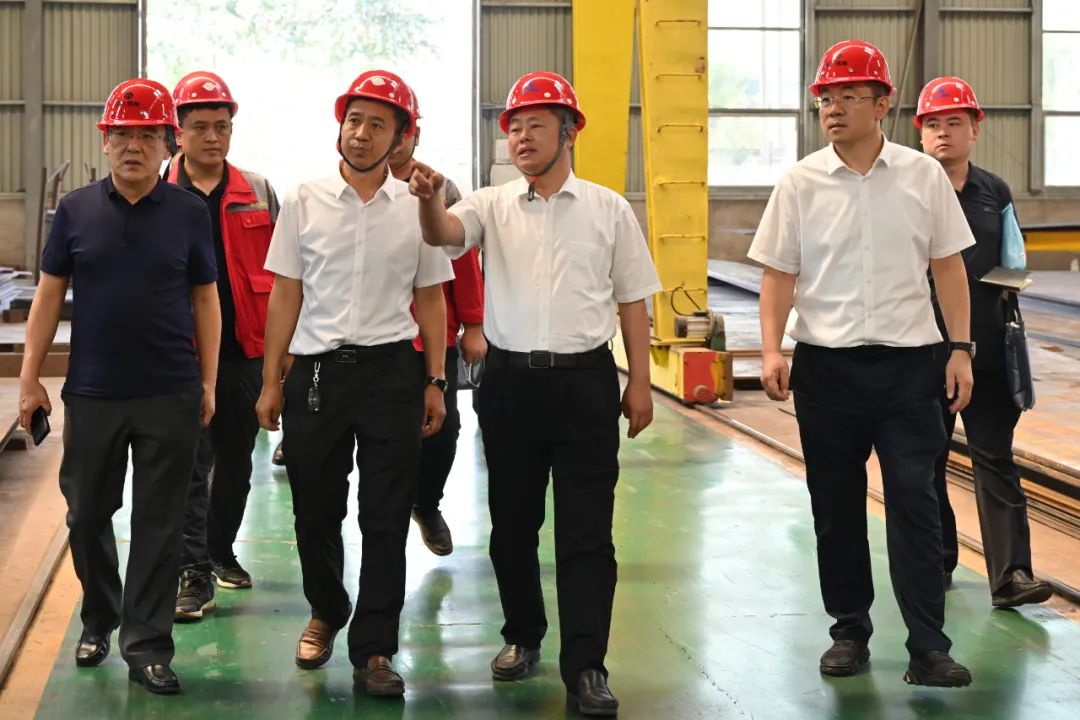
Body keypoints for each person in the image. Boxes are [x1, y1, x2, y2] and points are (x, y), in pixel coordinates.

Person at [410, 70, 660, 716]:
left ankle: (587, 666)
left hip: (586, 385)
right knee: (513, 526)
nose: (521, 137)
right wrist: (430, 200)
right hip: (510, 385)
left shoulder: (608, 209)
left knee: (587, 533)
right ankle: (523, 635)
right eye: (514, 128)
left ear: (569, 133)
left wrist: (639, 383)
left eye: (535, 126)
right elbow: (443, 234)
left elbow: (634, 300)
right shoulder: (491, 204)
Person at [750, 41, 976, 688]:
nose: (834, 107)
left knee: (915, 502)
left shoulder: (922, 176)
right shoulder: (800, 182)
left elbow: (948, 266)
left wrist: (960, 349)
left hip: (911, 368)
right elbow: (778, 274)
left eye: (850, 96)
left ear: (882, 105)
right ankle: (849, 630)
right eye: (827, 97)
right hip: (827, 370)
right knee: (836, 505)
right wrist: (772, 349)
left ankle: (928, 646)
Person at [255, 69, 453, 698]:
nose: (361, 134)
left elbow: (431, 299)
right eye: (354, 121)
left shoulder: (418, 209)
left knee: (386, 515)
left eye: (377, 124)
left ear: (401, 138)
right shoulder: (305, 199)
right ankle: (326, 609)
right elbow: (286, 292)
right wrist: (270, 380)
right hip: (317, 374)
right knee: (315, 508)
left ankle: (375, 647)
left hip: (392, 373)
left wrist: (435, 380)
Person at [18, 79, 219, 694]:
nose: (133, 146)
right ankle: (100, 615)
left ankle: (147, 645)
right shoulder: (76, 210)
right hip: (93, 393)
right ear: (105, 142)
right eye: (122, 135)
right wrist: (29, 376)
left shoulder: (188, 212)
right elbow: (48, 294)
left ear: (167, 145)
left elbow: (205, 299)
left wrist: (208, 380)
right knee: (86, 514)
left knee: (160, 523)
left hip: (169, 392)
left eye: (147, 135)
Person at [916, 76, 1052, 608]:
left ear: (976, 128)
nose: (943, 132)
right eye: (933, 124)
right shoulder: (906, 190)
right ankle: (937, 561)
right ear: (919, 132)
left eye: (954, 122)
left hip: (989, 352)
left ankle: (1012, 575)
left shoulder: (995, 192)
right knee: (925, 462)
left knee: (995, 458)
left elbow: (1014, 264)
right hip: (924, 351)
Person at [166, 71, 280, 622]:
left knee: (236, 463)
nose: (213, 137)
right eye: (200, 127)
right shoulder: (158, 193)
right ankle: (191, 570)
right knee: (189, 464)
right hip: (178, 354)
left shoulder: (257, 190)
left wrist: (282, 355)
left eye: (222, 126)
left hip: (244, 351)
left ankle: (217, 550)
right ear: (179, 132)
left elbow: (287, 274)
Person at [387, 91, 486, 557]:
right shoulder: (354, 188)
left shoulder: (440, 189)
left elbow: (462, 260)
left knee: (443, 432)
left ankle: (425, 505)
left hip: (433, 335)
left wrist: (474, 325)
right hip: (377, 338)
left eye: (401, 131)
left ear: (415, 135)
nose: (392, 141)